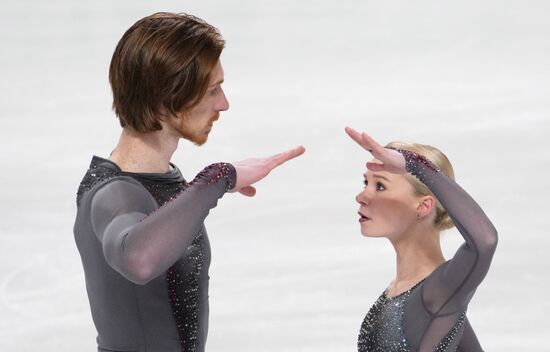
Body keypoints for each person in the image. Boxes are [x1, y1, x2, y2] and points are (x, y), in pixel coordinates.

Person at [73, 12, 304, 352]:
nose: (223, 104)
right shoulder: (115, 193)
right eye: (213, 90)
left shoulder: (160, 180)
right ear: (167, 98)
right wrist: (219, 177)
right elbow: (138, 259)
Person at [345, 127, 497, 352]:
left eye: (380, 186)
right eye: (365, 183)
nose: (361, 197)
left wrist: (414, 164)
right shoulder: (427, 300)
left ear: (424, 205)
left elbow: (484, 240)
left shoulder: (438, 293)